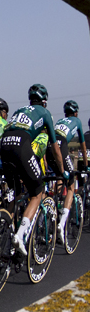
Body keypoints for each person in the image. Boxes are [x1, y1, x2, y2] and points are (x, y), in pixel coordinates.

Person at [0, 85, 64, 254]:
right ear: (44, 101)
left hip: (4, 145)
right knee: (37, 191)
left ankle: (2, 234)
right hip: (22, 145)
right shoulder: (45, 113)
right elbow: (56, 149)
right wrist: (61, 170)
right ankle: (19, 236)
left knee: (16, 192)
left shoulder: (20, 110)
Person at [54, 100, 85, 241]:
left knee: (60, 175)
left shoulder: (61, 120)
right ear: (76, 112)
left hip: (51, 145)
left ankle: (56, 204)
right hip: (62, 144)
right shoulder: (77, 121)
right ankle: (61, 223)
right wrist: (86, 165)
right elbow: (83, 146)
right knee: (71, 186)